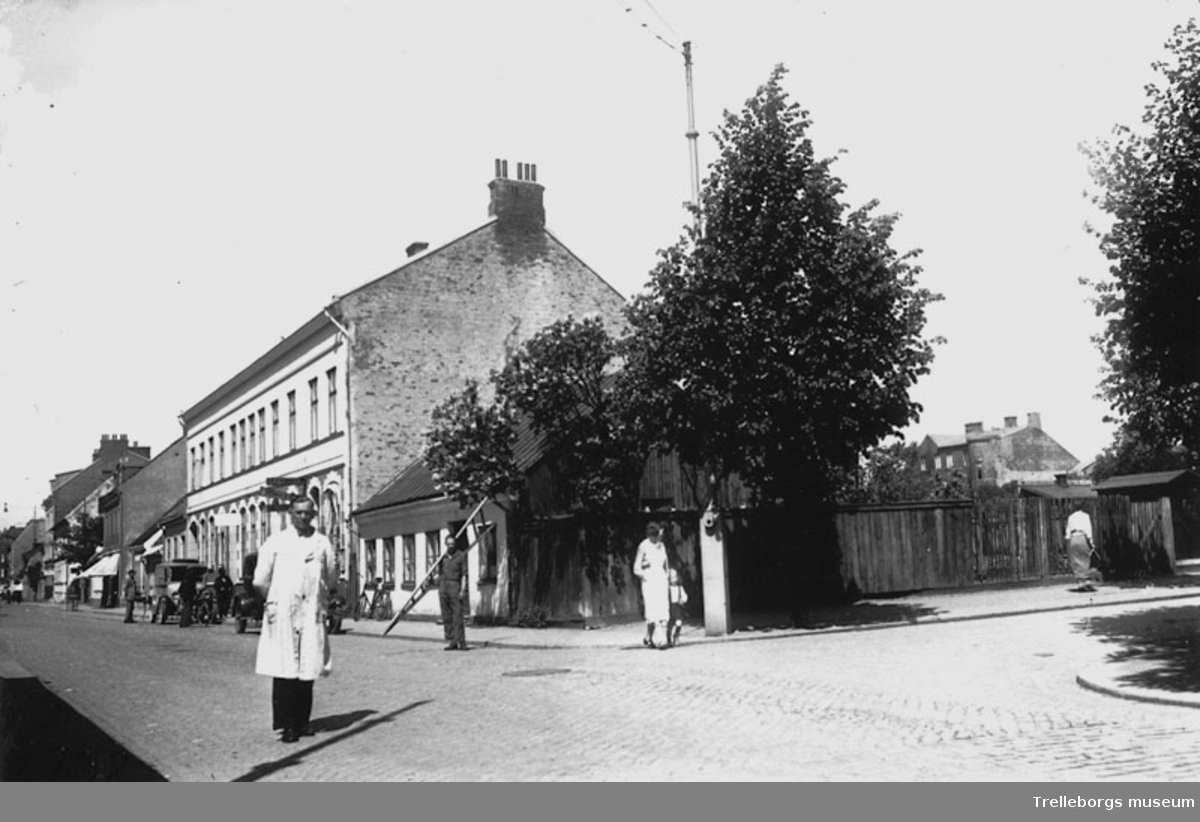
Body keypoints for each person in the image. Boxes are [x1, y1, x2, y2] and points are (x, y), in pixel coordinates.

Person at [253, 497, 337, 744]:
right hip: (283, 612)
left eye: (308, 513)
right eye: (299, 512)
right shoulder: (276, 542)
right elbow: (260, 580)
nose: (303, 517)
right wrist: (273, 602)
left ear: (314, 514)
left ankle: (303, 721)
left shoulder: (322, 543)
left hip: (311, 611)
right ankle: (287, 724)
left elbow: (330, 577)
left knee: (308, 668)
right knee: (285, 668)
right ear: (291, 513)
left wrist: (321, 599)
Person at [632, 522, 670, 649]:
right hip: (649, 582)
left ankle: (649, 637)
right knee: (653, 611)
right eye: (660, 533)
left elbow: (666, 565)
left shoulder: (662, 546)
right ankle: (661, 640)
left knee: (663, 609)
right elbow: (636, 568)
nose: (662, 536)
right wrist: (646, 575)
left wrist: (667, 577)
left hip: (661, 580)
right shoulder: (643, 546)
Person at [437, 535, 469, 651]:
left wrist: (463, 589)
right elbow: (438, 572)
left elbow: (464, 574)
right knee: (447, 616)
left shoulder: (460, 556)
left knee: (458, 615)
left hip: (455, 585)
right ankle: (452, 641)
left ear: (455, 544)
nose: (450, 546)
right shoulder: (442, 557)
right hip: (443, 587)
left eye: (452, 544)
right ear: (446, 544)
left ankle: (462, 642)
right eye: (448, 544)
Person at [1065, 503, 1102, 592]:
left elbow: (1067, 533)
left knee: (1076, 559)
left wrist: (1068, 543)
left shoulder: (1071, 517)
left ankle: (1080, 580)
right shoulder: (1086, 516)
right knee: (1085, 558)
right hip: (1082, 537)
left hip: (1073, 537)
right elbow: (1088, 529)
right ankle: (1086, 579)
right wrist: (1091, 542)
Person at [667, 567, 688, 648]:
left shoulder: (680, 587)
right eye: (672, 577)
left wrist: (683, 600)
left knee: (679, 623)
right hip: (669, 607)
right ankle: (668, 637)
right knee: (670, 624)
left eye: (675, 576)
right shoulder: (666, 588)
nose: (674, 579)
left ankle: (676, 635)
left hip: (677, 607)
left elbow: (685, 596)